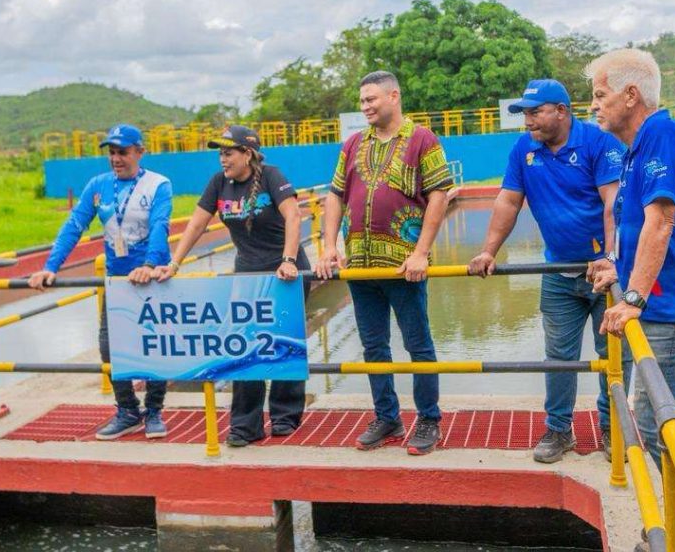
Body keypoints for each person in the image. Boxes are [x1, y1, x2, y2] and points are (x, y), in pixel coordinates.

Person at [586, 48, 675, 552]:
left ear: (631, 95)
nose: (594, 106)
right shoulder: (640, 146)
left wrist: (633, 297)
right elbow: (642, 224)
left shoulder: (661, 136)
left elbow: (662, 221)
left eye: (600, 95)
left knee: (650, 421)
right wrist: (618, 268)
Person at [468, 78, 632, 463]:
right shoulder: (523, 149)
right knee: (558, 356)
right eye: (524, 113)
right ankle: (559, 431)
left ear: (561, 110)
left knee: (614, 355)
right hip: (558, 272)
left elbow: (614, 206)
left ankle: (613, 430)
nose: (527, 121)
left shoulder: (598, 143)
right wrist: (489, 251)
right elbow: (508, 202)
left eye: (535, 112)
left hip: (603, 274)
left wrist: (611, 257)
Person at [314, 71, 453, 456]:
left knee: (417, 344)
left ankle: (428, 419)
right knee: (373, 346)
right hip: (361, 266)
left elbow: (439, 193)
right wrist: (329, 247)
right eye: (362, 101)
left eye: (372, 99)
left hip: (402, 268)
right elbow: (335, 195)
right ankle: (387, 416)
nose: (365, 107)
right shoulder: (354, 143)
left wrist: (421, 251)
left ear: (394, 96)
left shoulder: (423, 139)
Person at [146, 125, 309, 447]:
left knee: (284, 344)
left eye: (228, 152)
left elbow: (293, 216)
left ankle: (284, 416)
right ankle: (245, 426)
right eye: (220, 153)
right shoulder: (218, 183)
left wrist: (288, 260)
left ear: (247, 154)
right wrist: (174, 263)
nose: (222, 159)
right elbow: (196, 224)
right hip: (247, 275)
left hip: (284, 272)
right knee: (245, 348)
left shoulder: (272, 176)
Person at [28, 124, 173, 440]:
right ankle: (127, 411)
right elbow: (74, 225)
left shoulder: (158, 185)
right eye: (112, 153)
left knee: (155, 346)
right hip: (117, 281)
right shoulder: (98, 186)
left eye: (123, 152)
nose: (116, 159)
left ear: (139, 152)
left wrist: (149, 265)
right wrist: (50, 267)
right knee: (110, 347)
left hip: (152, 279)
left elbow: (161, 226)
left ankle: (155, 411)